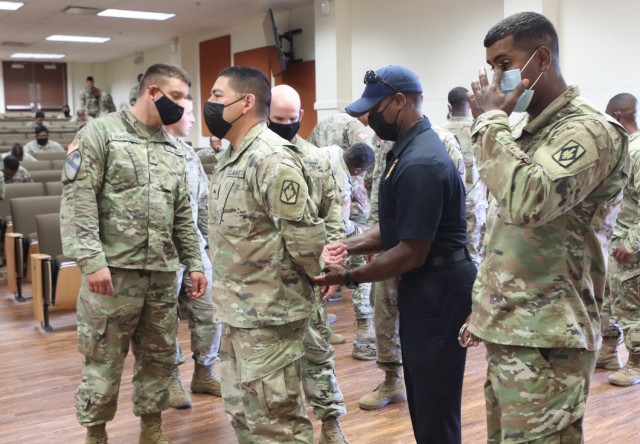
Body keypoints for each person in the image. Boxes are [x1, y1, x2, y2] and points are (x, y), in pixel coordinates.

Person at [462, 12, 629, 443]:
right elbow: (505, 234)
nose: (495, 77)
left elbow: (528, 201)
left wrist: (488, 122)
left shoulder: (589, 131)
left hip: (550, 337)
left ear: (540, 59)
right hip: (513, 328)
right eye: (492, 65)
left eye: (504, 63)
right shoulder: (530, 133)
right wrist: (484, 308)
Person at [314, 65, 475, 444]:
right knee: (423, 396)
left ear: (401, 102)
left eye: (375, 109)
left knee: (435, 404)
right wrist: (349, 246)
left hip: (438, 287)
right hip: (427, 286)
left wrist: (348, 278)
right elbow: (398, 227)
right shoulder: (406, 150)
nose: (369, 119)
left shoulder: (421, 161)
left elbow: (410, 252)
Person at [60, 63, 206, 444]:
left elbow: (182, 215)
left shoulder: (175, 150)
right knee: (104, 361)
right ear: (152, 91)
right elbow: (80, 202)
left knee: (158, 359)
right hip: (112, 275)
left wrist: (193, 261)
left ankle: (152, 430)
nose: (182, 105)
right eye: (176, 97)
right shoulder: (100, 134)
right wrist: (92, 261)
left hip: (160, 275)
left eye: (185, 98)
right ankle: (96, 434)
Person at [206, 66, 325, 443]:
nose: (209, 104)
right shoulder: (230, 158)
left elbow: (304, 238)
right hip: (236, 313)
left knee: (278, 426)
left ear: (246, 102)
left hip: (270, 316)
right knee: (243, 416)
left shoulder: (272, 159)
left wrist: (318, 279)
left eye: (217, 96)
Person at [357, 123, 466, 413]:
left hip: (428, 251)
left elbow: (459, 204)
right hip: (393, 242)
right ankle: (392, 379)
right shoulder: (386, 143)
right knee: (384, 309)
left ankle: (425, 385)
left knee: (429, 336)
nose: (370, 121)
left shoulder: (438, 144)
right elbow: (380, 197)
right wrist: (374, 238)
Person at [269, 83, 349, 443]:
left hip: (308, 276)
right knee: (271, 362)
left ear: (302, 117)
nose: (286, 125)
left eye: (291, 119)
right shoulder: (254, 157)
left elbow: (332, 216)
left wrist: (331, 262)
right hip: (264, 279)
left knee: (317, 351)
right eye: (277, 119)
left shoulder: (316, 159)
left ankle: (331, 422)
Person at [163, 95, 222, 409]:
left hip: (195, 250)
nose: (194, 120)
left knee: (210, 312)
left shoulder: (189, 154)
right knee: (164, 320)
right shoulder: (150, 152)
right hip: (163, 254)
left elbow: (203, 205)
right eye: (188, 113)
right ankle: (171, 376)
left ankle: (205, 371)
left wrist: (208, 250)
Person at [319, 142, 377, 360]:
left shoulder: (331, 151)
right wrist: (364, 235)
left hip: (308, 229)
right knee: (359, 264)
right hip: (320, 234)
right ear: (357, 170)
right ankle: (363, 332)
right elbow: (338, 226)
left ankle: (322, 327)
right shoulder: (341, 185)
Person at [599, 93, 640, 387]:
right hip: (613, 244)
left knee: (631, 308)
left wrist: (633, 242)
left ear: (616, 115)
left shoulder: (638, 151)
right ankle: (609, 351)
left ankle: (636, 364)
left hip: (630, 248)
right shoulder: (624, 148)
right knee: (609, 303)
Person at [442, 86, 488, 267]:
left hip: (449, 205)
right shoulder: (481, 130)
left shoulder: (440, 133)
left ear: (449, 106)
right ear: (471, 103)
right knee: (475, 255)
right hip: (476, 204)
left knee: (450, 256)